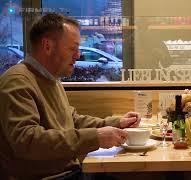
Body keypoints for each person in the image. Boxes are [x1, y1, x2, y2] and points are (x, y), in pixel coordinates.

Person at [0, 13, 141, 179]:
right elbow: (27, 141)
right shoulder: (17, 81)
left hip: (69, 172)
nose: (79, 55)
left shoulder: (51, 79)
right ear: (47, 46)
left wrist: (116, 123)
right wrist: (96, 137)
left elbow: (72, 120)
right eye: (73, 48)